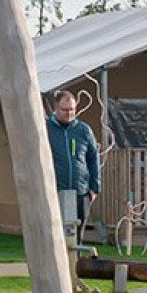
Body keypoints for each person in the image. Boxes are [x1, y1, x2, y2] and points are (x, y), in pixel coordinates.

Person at [46, 89, 101, 234]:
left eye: (72, 109)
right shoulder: (45, 128)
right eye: (65, 110)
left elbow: (93, 158)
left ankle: (75, 257)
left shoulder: (83, 130)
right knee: (56, 234)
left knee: (75, 233)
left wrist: (94, 188)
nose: (69, 113)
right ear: (56, 108)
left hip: (80, 192)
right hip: (55, 191)